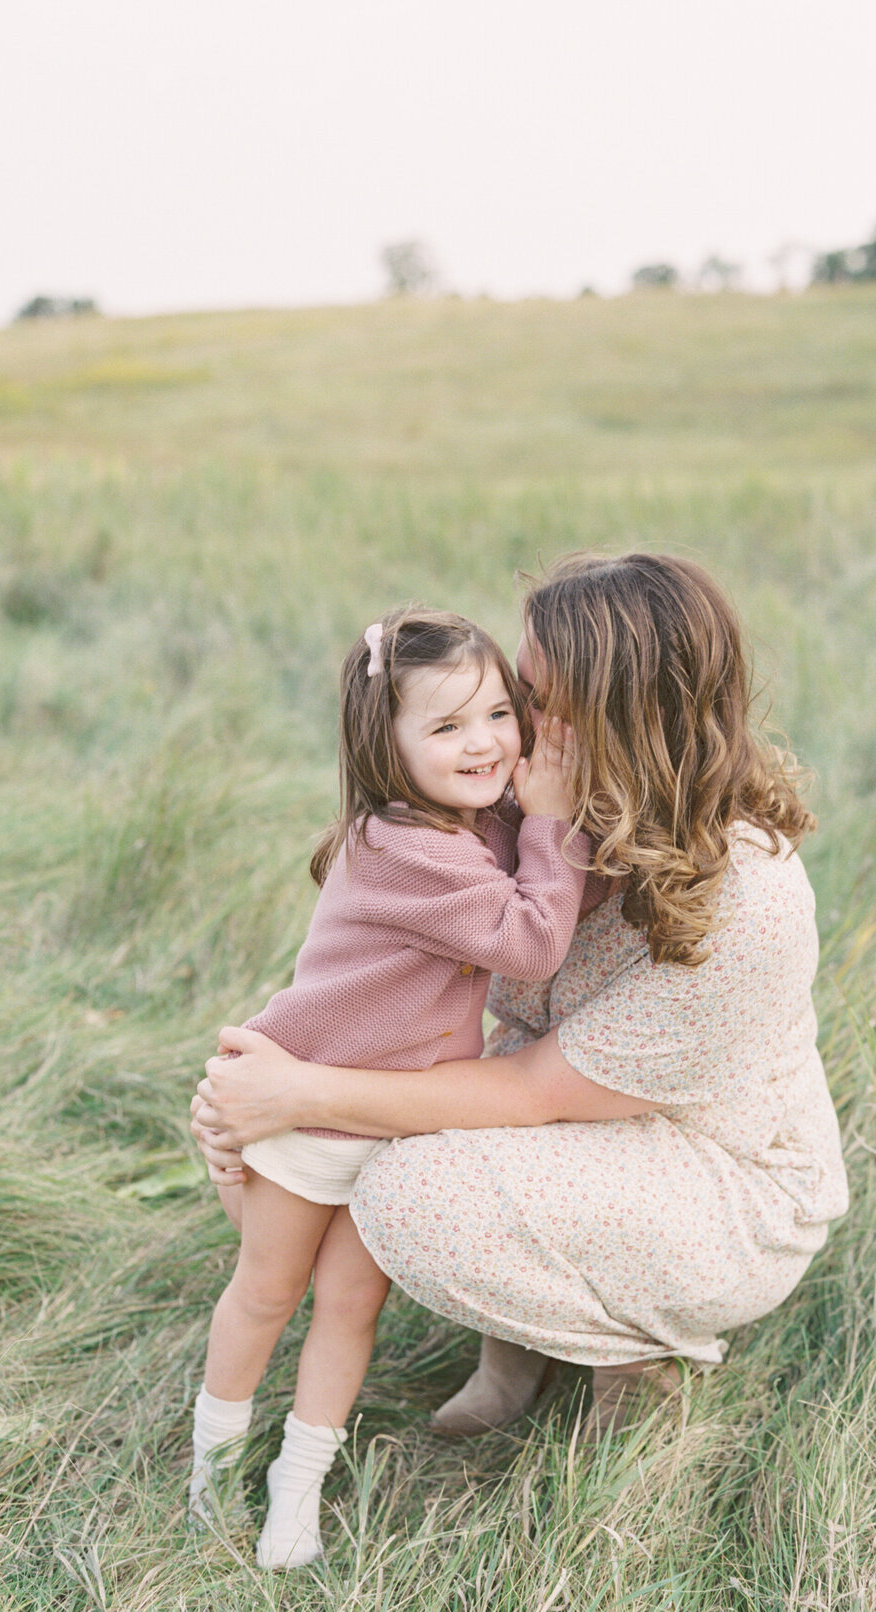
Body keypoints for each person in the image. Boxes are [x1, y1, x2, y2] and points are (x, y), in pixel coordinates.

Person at [192, 552, 849, 1473]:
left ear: (620, 712)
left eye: (532, 700)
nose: (511, 730)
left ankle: (635, 1355)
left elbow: (538, 1089)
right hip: (564, 1126)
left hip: (716, 1178)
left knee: (411, 1196)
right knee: (399, 1152)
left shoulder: (749, 902)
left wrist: (300, 1093)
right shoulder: (532, 808)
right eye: (514, 695)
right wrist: (253, 1079)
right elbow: (381, 977)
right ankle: (523, 1342)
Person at [189, 607, 586, 1570]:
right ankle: (210, 1468)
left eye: (498, 712)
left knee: (349, 1308)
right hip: (310, 1105)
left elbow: (550, 893)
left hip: (398, 1124)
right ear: (388, 741)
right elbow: (532, 936)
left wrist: (542, 820)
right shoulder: (400, 846)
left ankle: (300, 1481)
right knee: (267, 1293)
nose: (485, 742)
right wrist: (555, 818)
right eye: (446, 728)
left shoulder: (481, 819)